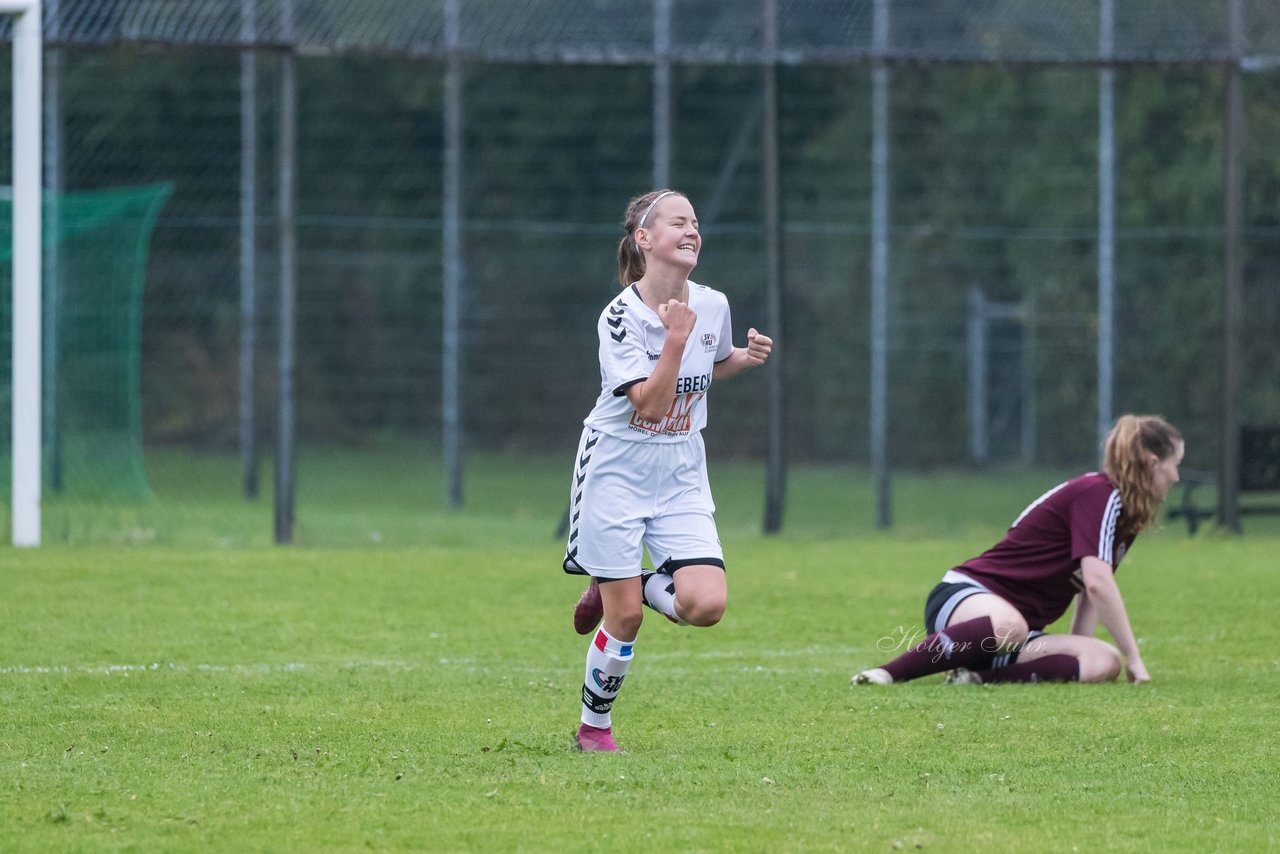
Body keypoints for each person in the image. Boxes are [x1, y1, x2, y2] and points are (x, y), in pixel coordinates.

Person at [562, 189, 773, 752]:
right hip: (616, 468)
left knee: (706, 605)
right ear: (644, 239)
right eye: (678, 222)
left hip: (680, 468)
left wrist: (741, 360)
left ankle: (612, 582)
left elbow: (712, 361)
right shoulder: (619, 318)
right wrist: (675, 338)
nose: (692, 231)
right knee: (625, 620)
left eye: (696, 223)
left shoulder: (714, 302)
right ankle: (594, 728)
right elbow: (650, 405)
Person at [852, 414, 1183, 687]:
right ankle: (887, 673)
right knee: (1011, 625)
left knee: (1103, 661)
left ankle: (976, 677)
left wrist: (1082, 646)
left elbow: (1090, 590)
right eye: (1174, 464)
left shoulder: (1126, 517)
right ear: (1152, 463)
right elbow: (1098, 582)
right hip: (965, 598)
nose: (1176, 476)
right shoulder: (1098, 495)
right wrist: (1136, 660)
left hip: (1015, 630)